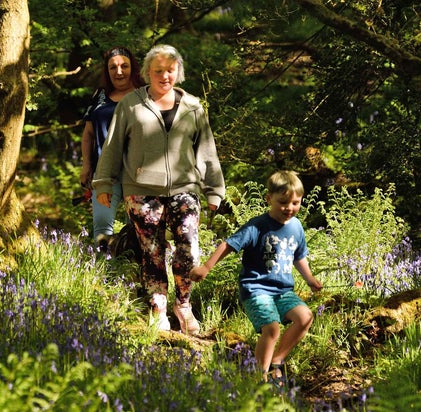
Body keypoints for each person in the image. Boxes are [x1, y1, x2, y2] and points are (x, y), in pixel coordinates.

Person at [93, 44, 225, 334]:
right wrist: (103, 182)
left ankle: (184, 304)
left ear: (178, 71)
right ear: (147, 73)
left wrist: (214, 190)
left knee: (188, 247)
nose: (164, 76)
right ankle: (158, 309)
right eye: (158, 71)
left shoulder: (193, 106)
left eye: (170, 70)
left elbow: (206, 150)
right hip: (141, 190)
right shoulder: (131, 104)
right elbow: (113, 146)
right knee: (151, 252)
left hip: (185, 188)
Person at [189, 170, 323, 385]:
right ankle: (259, 378)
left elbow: (299, 256)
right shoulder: (257, 226)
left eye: (295, 203)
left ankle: (277, 361)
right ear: (269, 199)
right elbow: (229, 244)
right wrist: (206, 267)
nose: (289, 208)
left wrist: (310, 280)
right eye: (283, 202)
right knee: (272, 328)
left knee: (305, 317)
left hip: (282, 291)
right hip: (256, 289)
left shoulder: (296, 227)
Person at [80, 46, 146, 252]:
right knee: (101, 228)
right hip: (105, 173)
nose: (119, 72)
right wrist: (86, 165)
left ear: (132, 68)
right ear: (107, 71)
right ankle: (104, 276)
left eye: (124, 66)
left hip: (137, 174)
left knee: (138, 229)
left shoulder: (144, 94)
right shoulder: (100, 95)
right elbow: (88, 134)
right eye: (113, 67)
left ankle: (135, 276)